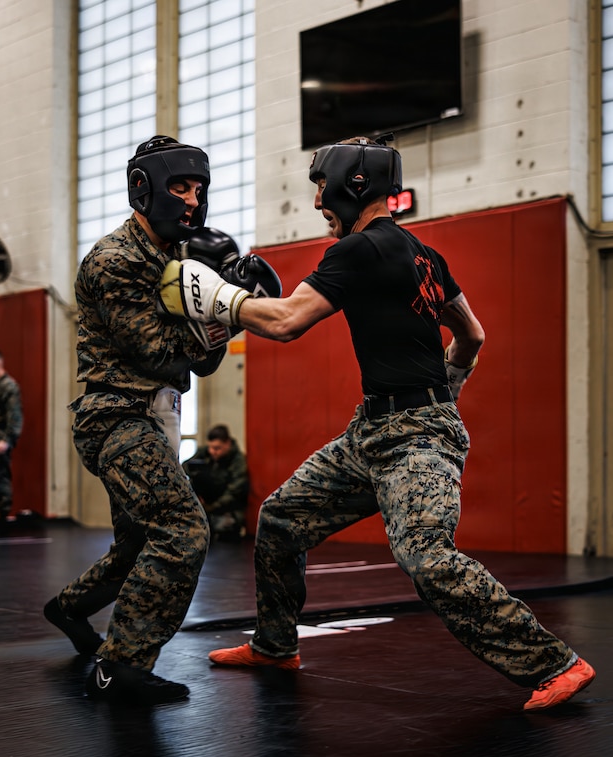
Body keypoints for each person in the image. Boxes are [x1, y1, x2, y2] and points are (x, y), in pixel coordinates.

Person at [162, 135, 595, 711]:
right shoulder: (424, 255)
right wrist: (447, 393)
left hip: (414, 435)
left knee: (426, 555)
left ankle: (555, 663)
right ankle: (274, 645)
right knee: (282, 518)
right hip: (374, 431)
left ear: (351, 184)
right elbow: (472, 334)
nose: (318, 202)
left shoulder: (358, 250)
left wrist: (216, 296)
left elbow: (289, 321)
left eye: (321, 187)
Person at [43, 135, 232, 705]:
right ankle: (119, 664)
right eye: (180, 187)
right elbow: (161, 354)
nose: (193, 201)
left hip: (155, 416)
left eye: (199, 188)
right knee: (182, 529)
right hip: (115, 419)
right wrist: (230, 308)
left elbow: (202, 362)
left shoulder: (177, 260)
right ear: (144, 189)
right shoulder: (115, 260)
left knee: (135, 548)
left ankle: (69, 607)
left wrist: (221, 316)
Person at [183, 424, 249, 542]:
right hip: (204, 504)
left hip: (225, 508)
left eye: (218, 448)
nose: (213, 451)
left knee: (224, 526)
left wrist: (210, 507)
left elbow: (234, 491)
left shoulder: (237, 461)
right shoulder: (205, 452)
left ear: (228, 443)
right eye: (211, 447)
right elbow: (185, 466)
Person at [0, 350, 23, 535]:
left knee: (0, 478)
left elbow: (14, 416)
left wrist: (6, 440)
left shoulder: (9, 386)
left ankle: (4, 516)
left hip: (0, 438)